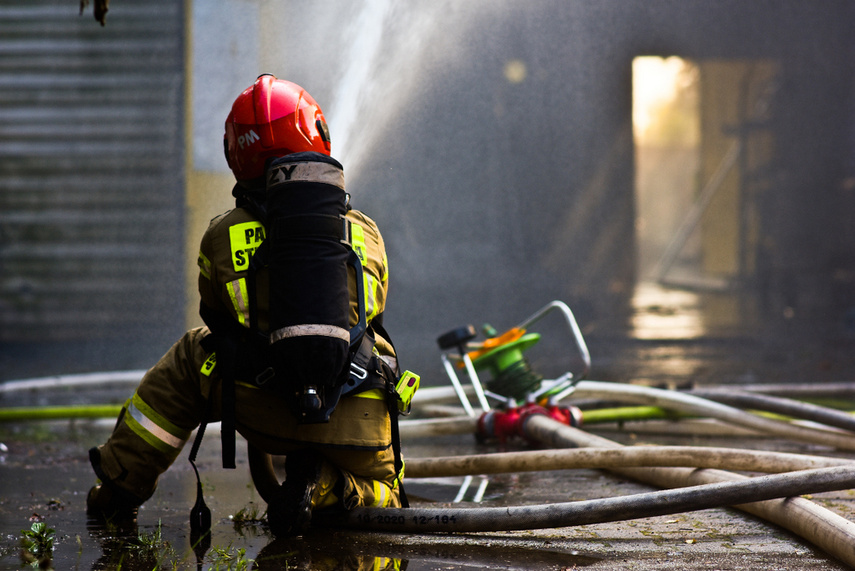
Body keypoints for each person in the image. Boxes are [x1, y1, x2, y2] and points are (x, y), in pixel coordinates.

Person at [86, 74, 408, 537]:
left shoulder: (221, 235)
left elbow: (214, 316)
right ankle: (331, 488)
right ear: (316, 134)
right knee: (389, 496)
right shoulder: (367, 233)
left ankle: (119, 486)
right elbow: (372, 315)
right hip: (357, 423)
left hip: (262, 410)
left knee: (192, 357)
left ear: (237, 155)